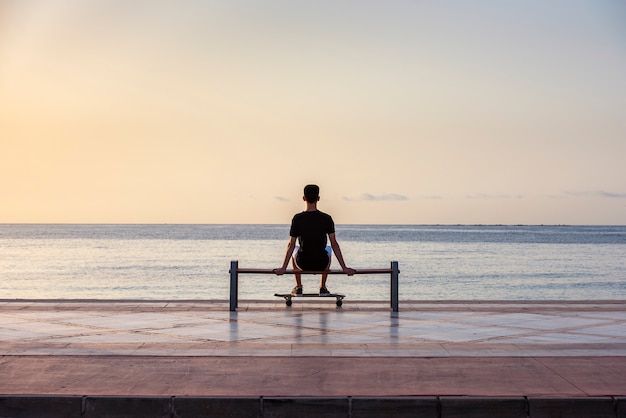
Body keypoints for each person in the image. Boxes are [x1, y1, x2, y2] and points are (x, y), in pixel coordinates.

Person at [274, 184, 355, 296]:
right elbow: (334, 243)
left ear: (304, 198)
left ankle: (298, 287)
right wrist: (344, 268)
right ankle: (322, 286)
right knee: (329, 248)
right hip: (321, 263)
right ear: (318, 198)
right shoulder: (327, 218)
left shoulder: (297, 218)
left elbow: (291, 244)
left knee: (295, 248)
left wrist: (283, 268)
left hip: (303, 263)